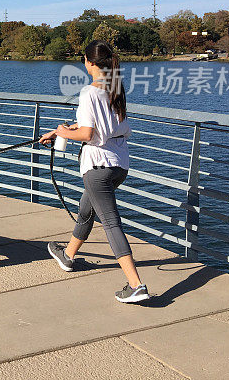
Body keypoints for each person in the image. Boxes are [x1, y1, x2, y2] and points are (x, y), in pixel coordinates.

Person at [39, 39, 150, 303]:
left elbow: (88, 133)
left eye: (83, 60)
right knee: (86, 210)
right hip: (118, 164)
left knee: (110, 222)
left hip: (98, 167)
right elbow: (100, 124)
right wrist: (59, 131)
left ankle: (135, 285)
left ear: (89, 62)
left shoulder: (89, 91)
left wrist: (64, 131)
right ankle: (68, 256)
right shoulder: (115, 88)